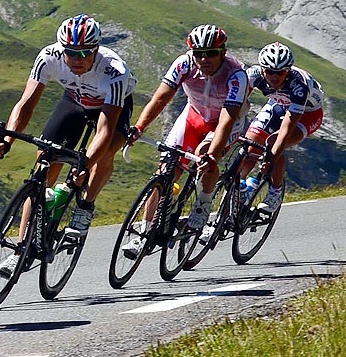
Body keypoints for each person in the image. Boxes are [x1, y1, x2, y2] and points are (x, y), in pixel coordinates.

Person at [0, 14, 136, 275]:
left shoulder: (114, 71)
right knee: (44, 162)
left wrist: (84, 164)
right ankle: (21, 250)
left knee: (103, 154)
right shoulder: (49, 57)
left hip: (111, 108)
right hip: (75, 101)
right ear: (61, 49)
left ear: (96, 50)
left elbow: (104, 130)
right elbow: (26, 104)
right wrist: (7, 138)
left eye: (85, 53)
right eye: (71, 53)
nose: (77, 60)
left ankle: (85, 207)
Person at [123, 24, 248, 257]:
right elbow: (160, 98)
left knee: (206, 154)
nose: (204, 59)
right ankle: (145, 232)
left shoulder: (236, 75)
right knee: (165, 171)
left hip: (225, 121)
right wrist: (139, 127)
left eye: (211, 53)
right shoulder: (184, 64)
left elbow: (227, 120)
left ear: (223, 52)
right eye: (198, 53)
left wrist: (212, 154)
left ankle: (203, 204)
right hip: (193, 116)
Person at [236, 42, 324, 215]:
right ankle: (240, 185)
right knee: (250, 144)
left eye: (280, 72)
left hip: (308, 114)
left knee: (274, 144)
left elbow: (286, 129)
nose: (275, 77)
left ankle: (275, 191)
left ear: (288, 71)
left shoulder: (299, 86)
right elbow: (236, 104)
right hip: (278, 104)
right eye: (270, 71)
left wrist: (271, 157)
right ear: (262, 69)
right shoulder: (252, 75)